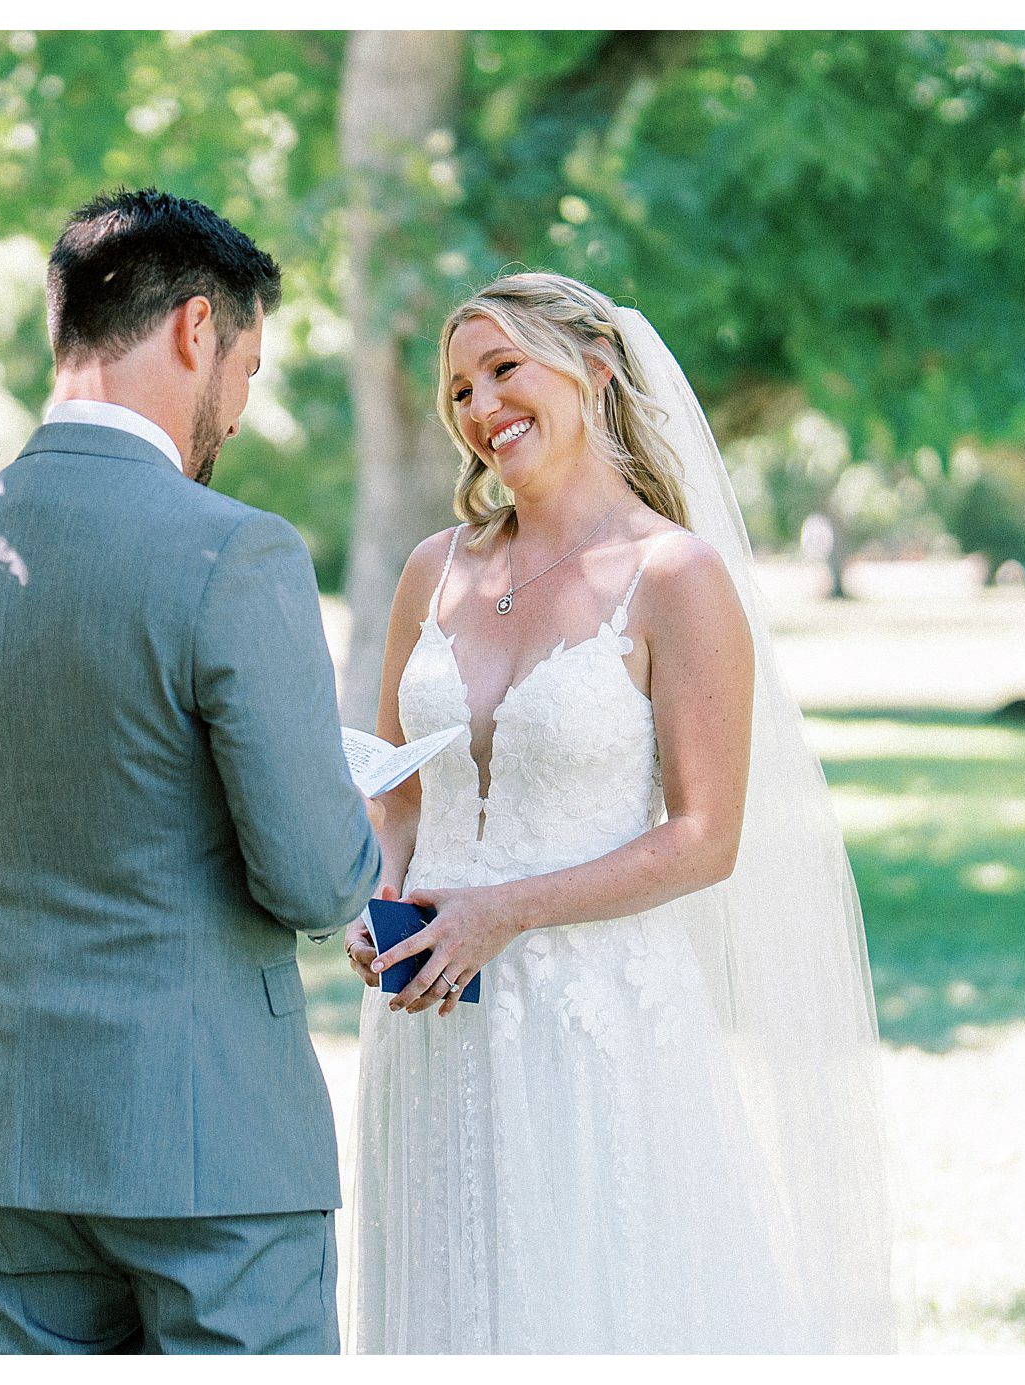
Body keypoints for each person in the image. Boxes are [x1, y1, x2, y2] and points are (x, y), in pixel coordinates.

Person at [0, 188, 382, 1354]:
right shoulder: (235, 550)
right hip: (212, 1140)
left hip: (8, 1140)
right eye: (246, 365)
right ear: (197, 328)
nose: (236, 412)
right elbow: (310, 878)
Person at [344, 272, 897, 1352]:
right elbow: (397, 790)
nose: (477, 405)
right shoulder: (432, 569)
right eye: (457, 386)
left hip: (591, 1017)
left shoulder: (673, 575)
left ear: (593, 371)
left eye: (503, 367)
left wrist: (503, 909)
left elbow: (705, 836)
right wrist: (375, 895)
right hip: (428, 1020)